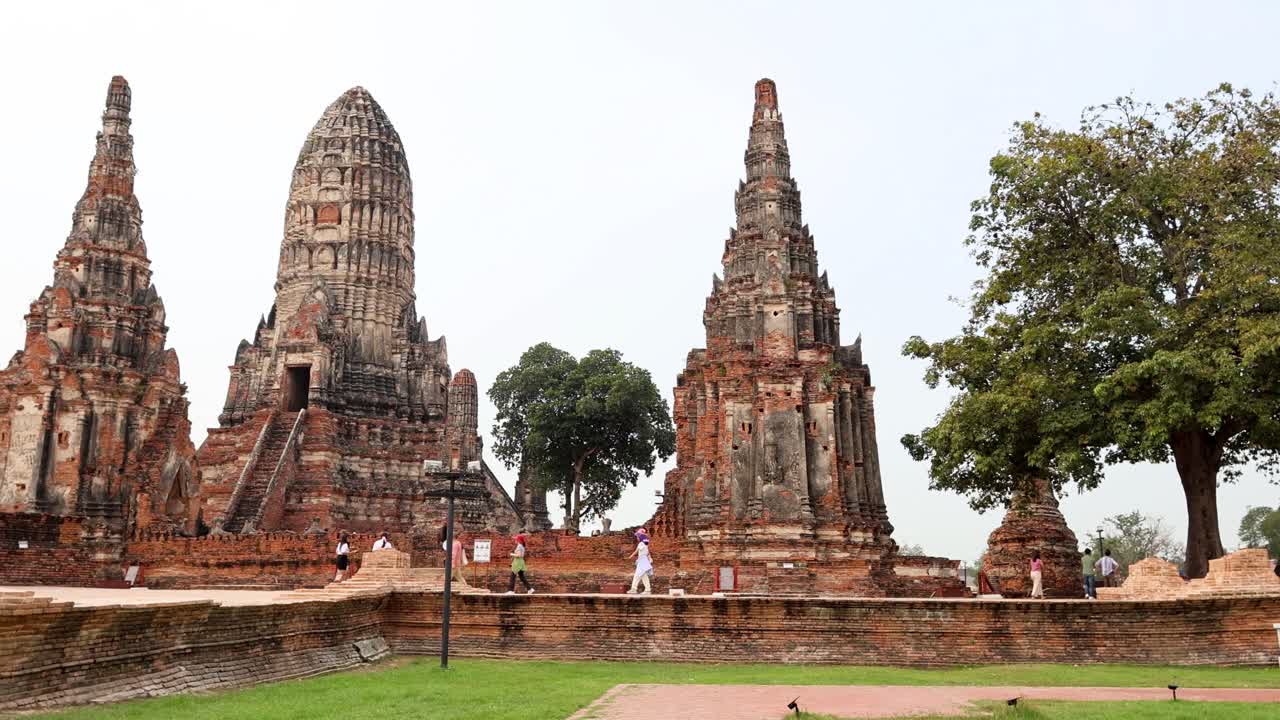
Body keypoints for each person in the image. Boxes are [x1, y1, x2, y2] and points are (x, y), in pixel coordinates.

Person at [627, 529, 654, 595]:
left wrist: (630, 556)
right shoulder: (645, 545)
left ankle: (634, 589)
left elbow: (636, 551)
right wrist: (650, 558)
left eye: (638, 537)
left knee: (638, 575)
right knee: (643, 575)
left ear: (640, 537)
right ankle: (647, 590)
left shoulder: (641, 544)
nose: (637, 538)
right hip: (644, 560)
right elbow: (648, 553)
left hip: (642, 561)